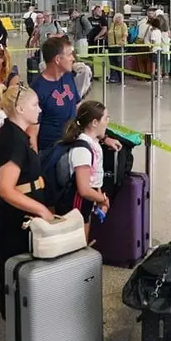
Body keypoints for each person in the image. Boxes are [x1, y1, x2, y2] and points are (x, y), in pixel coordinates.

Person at [0, 84, 54, 318]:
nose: (39, 109)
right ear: (19, 108)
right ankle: (18, 321)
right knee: (18, 267)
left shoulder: (17, 134)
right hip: (17, 215)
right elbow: (6, 189)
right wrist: (40, 210)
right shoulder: (13, 140)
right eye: (34, 105)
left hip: (23, 210)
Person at [58, 101, 111, 239]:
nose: (108, 122)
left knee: (83, 240)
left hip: (87, 201)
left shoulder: (94, 144)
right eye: (106, 118)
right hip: (77, 202)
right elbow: (84, 188)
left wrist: (99, 199)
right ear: (94, 123)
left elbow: (95, 178)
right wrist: (103, 199)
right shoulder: (82, 149)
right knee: (78, 242)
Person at [107, 13, 128, 83]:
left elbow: (125, 34)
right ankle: (113, 77)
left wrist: (123, 40)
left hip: (119, 46)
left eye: (119, 18)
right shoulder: (112, 25)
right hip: (111, 46)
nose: (118, 19)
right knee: (112, 62)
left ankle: (121, 78)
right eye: (117, 18)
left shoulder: (123, 25)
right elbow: (109, 33)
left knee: (119, 62)